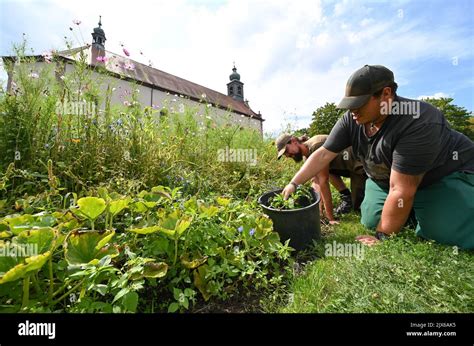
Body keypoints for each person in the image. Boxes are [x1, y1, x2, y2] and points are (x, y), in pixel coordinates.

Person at [282, 65, 474, 249]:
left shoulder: (419, 120)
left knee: (442, 231)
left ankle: (433, 208)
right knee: (371, 219)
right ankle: (414, 210)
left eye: (359, 104)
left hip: (442, 176)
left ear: (386, 94)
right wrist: (294, 183)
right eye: (350, 105)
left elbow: (401, 189)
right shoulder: (352, 119)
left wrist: (382, 235)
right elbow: (323, 154)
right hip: (385, 180)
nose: (353, 111)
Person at [276, 133, 366, 224]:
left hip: (359, 166)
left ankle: (357, 199)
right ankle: (347, 197)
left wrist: (330, 218)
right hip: (345, 168)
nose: (287, 155)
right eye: (285, 154)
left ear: (294, 142)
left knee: (358, 207)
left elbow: (323, 181)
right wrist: (318, 212)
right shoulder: (307, 157)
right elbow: (316, 183)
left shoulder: (316, 145)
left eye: (286, 150)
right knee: (326, 172)